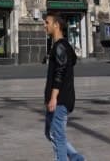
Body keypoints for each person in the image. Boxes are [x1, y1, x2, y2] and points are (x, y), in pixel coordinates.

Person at [43, 10, 84, 161]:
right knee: (50, 133)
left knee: (57, 135)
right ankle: (76, 158)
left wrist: (53, 98)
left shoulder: (60, 47)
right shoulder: (63, 46)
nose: (44, 26)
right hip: (58, 98)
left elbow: (59, 73)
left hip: (60, 100)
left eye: (47, 23)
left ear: (56, 25)